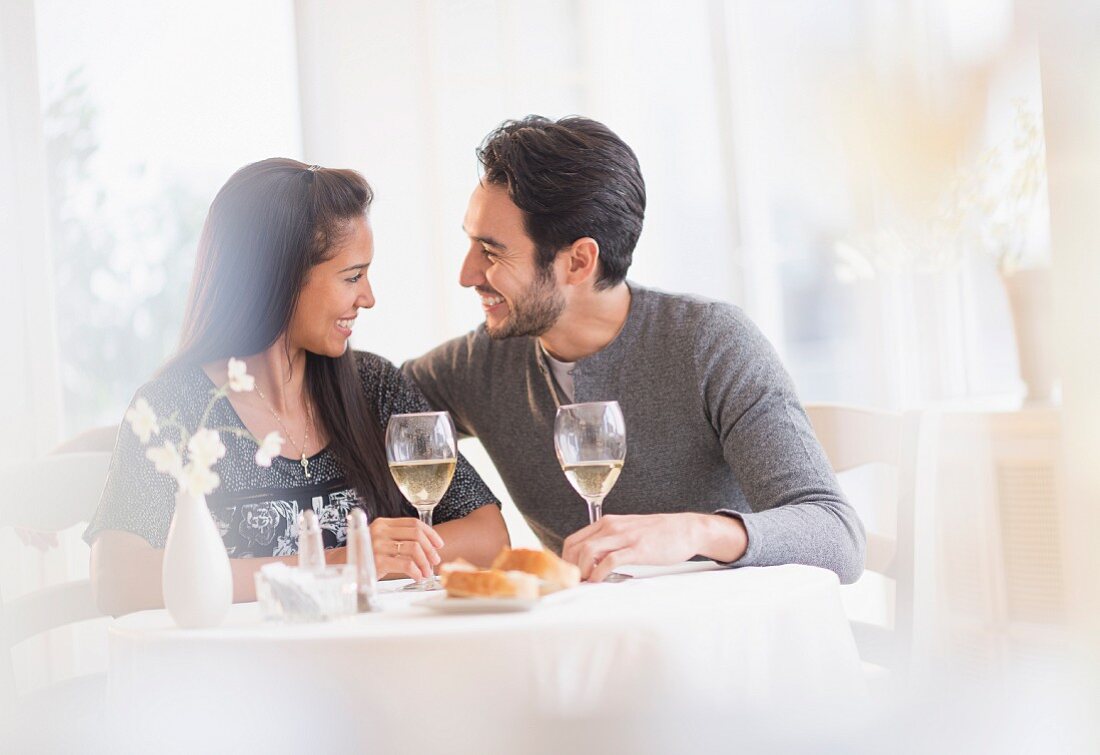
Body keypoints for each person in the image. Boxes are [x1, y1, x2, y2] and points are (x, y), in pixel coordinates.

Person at [404, 116, 865, 584]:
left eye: (492, 251)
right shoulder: (477, 366)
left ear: (580, 261)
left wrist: (695, 532)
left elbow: (837, 537)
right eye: (470, 242)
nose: (466, 273)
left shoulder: (710, 343)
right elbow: (364, 403)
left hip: (726, 644)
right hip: (590, 648)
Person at [86, 159, 508, 616]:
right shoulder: (180, 407)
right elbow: (117, 579)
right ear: (279, 278)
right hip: (238, 678)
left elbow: (489, 535)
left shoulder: (374, 385)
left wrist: (382, 557)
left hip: (371, 665)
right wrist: (341, 563)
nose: (368, 297)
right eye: (352, 277)